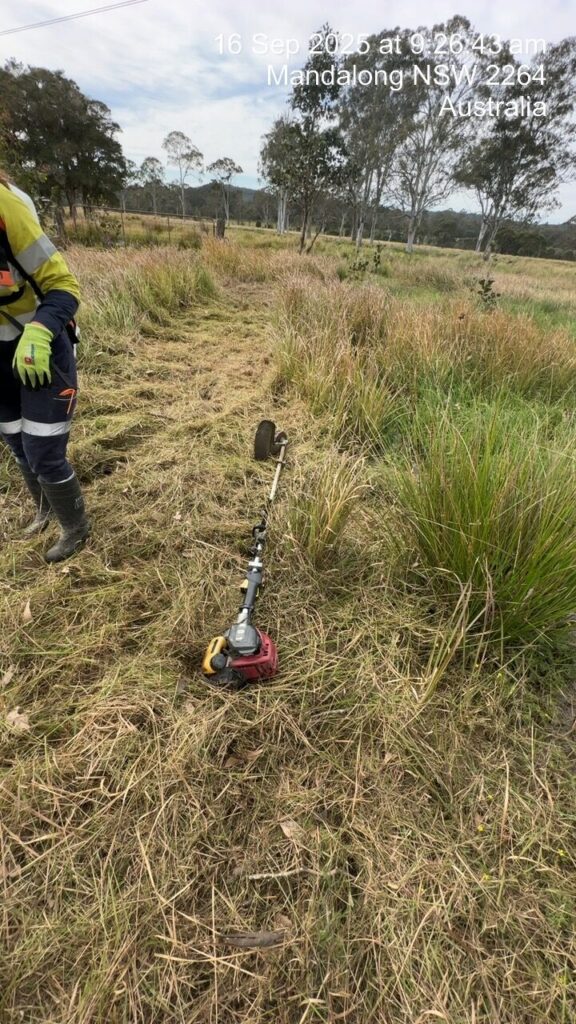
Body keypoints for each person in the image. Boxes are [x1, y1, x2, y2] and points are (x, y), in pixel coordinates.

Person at [0, 170, 90, 562]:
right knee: (15, 439)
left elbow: (64, 286)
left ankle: (75, 528)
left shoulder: (7, 210)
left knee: (42, 448)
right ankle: (45, 510)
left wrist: (39, 331)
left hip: (40, 346)